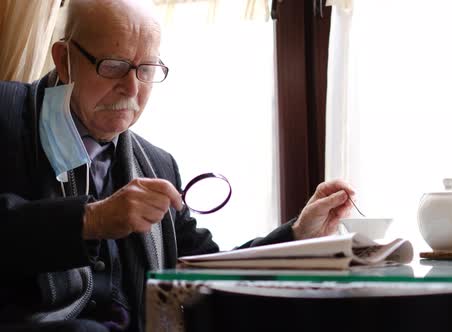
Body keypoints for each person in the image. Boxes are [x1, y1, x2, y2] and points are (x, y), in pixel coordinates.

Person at [0, 0, 355, 331]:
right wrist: (93, 220)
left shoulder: (156, 164)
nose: (131, 88)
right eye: (113, 66)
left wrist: (297, 236)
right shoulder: (7, 113)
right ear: (64, 60)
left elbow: (207, 268)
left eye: (147, 69)